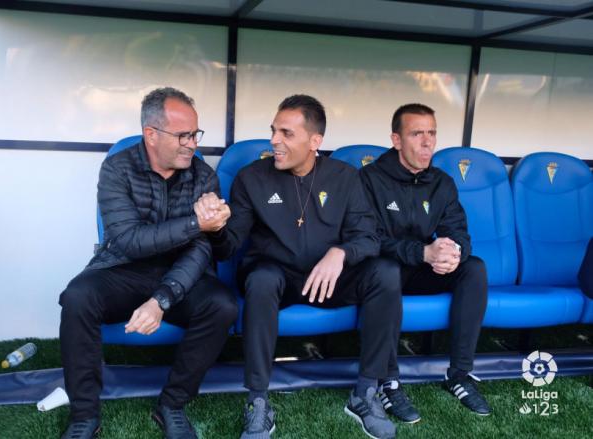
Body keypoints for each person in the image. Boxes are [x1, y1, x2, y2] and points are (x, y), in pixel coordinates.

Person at [196, 95, 400, 439]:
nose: (274, 140)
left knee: (386, 272)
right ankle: (258, 401)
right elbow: (228, 246)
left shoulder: (346, 177)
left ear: (314, 141)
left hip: (331, 278)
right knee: (260, 279)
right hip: (279, 276)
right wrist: (215, 230)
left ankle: (365, 391)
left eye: (286, 133)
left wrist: (341, 253)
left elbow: (369, 237)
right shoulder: (251, 178)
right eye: (274, 131)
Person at [58, 87, 237, 439]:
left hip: (181, 276)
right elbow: (129, 240)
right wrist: (195, 224)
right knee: (77, 298)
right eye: (183, 135)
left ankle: (172, 405)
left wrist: (162, 299)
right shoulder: (117, 169)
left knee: (222, 305)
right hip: (123, 268)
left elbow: (201, 250)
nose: (192, 144)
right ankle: (84, 416)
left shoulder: (203, 176)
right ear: (151, 135)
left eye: (195, 134)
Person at [359, 103, 491, 423]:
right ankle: (388, 382)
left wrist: (451, 253)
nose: (427, 141)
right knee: (386, 270)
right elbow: (367, 240)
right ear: (397, 139)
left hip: (419, 270)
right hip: (381, 272)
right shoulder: (369, 179)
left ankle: (459, 375)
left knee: (473, 267)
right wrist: (423, 253)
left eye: (431, 133)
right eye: (417, 133)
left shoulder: (442, 182)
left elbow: (458, 231)